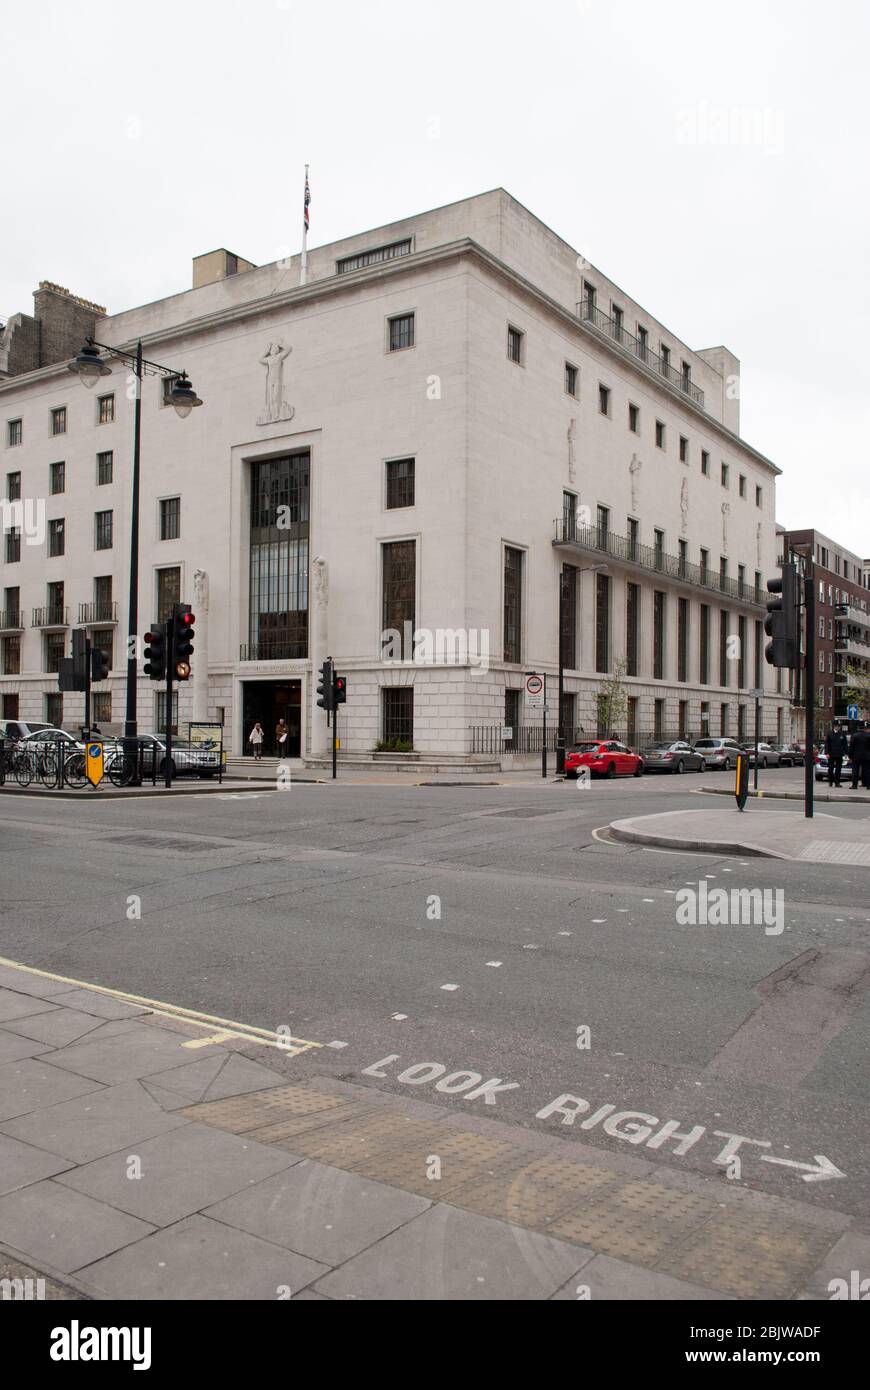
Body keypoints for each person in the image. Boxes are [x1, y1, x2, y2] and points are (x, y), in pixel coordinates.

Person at [848, 724, 870, 790]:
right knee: (867, 771)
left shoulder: (854, 736)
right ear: (865, 729)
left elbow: (851, 747)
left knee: (855, 771)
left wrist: (850, 756)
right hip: (867, 756)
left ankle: (854, 785)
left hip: (856, 756)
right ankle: (868, 785)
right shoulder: (868, 736)